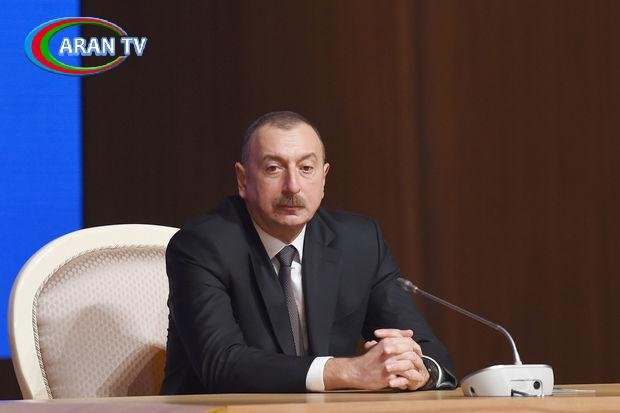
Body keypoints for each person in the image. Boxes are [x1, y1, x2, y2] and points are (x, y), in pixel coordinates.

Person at [160, 111, 457, 394]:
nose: (292, 186)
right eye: (274, 168)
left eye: (306, 168)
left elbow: (427, 348)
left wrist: (420, 370)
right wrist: (347, 371)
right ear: (243, 179)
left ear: (323, 177)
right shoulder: (202, 246)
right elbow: (222, 364)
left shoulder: (360, 243)